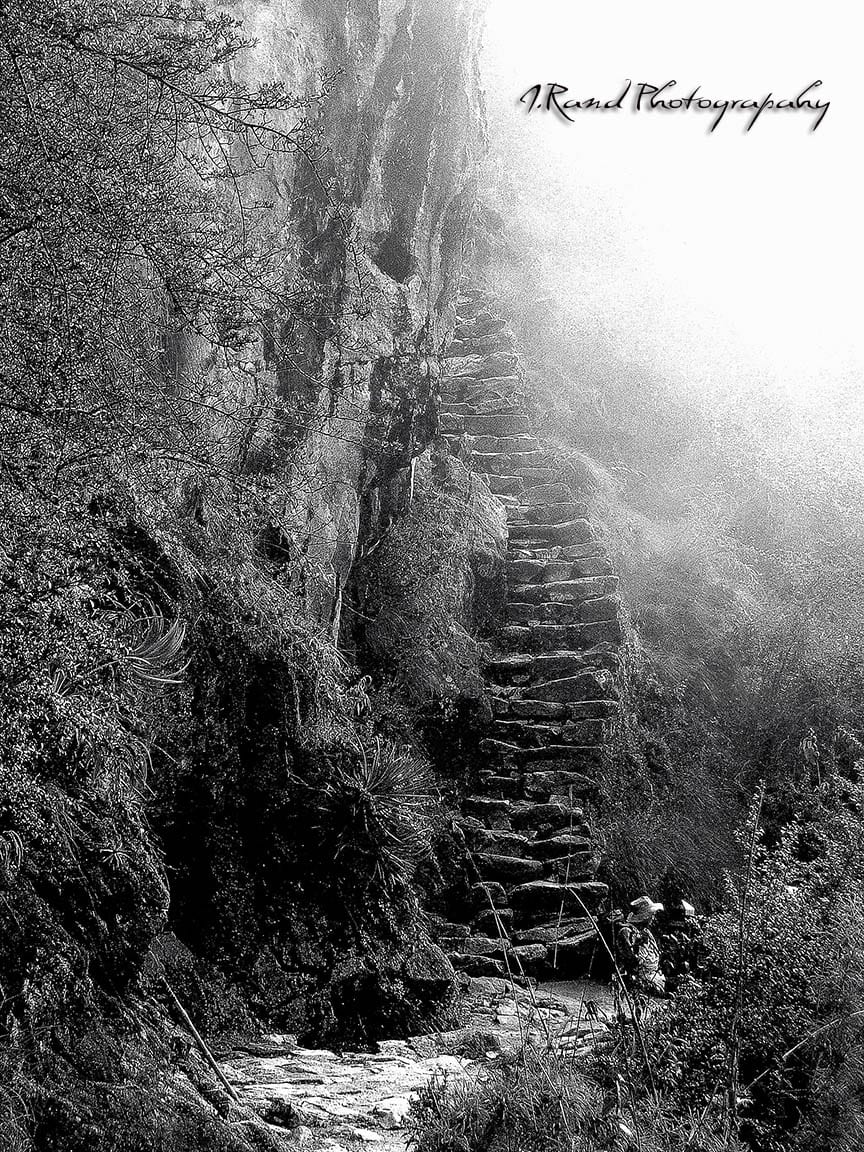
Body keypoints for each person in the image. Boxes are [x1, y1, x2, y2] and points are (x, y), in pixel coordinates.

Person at [617, 896, 668, 996]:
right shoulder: (627, 932)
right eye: (651, 915)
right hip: (640, 978)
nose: (653, 918)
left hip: (654, 975)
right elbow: (631, 961)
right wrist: (638, 945)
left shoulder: (646, 932)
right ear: (645, 916)